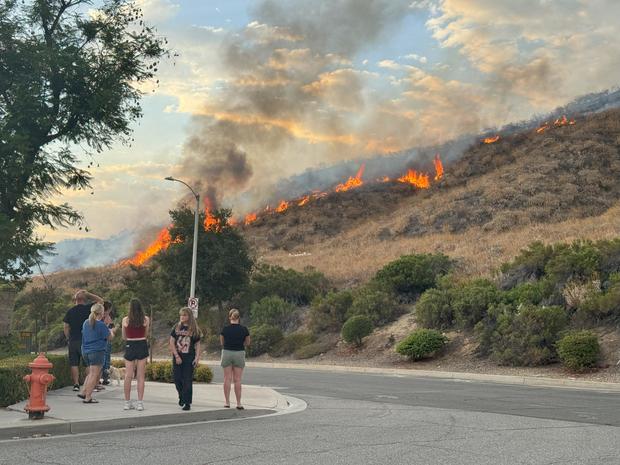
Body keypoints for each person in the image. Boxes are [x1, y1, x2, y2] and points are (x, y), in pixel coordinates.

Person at [63, 290, 104, 391]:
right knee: (88, 364)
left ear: (75, 300)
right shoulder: (88, 309)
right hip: (85, 340)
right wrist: (88, 294)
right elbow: (101, 301)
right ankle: (89, 384)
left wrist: (68, 338)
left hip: (73, 340)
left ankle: (76, 384)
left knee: (74, 363)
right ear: (84, 299)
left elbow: (66, 327)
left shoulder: (70, 311)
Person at [169, 307, 202, 411]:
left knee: (187, 380)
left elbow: (197, 344)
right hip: (178, 357)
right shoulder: (177, 327)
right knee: (177, 379)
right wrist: (176, 355)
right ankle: (181, 396)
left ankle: (187, 402)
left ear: (189, 316)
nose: (182, 317)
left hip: (189, 357)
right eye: (181, 315)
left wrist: (197, 358)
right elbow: (171, 342)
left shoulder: (194, 329)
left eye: (184, 315)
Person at [78, 303, 112, 403]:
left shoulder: (85, 323)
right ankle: (88, 397)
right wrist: (109, 328)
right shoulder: (101, 325)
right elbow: (110, 337)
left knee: (91, 373)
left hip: (85, 351)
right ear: (102, 313)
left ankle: (83, 391)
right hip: (97, 351)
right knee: (94, 374)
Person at [122, 298, 150, 411]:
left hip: (130, 344)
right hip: (141, 344)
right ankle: (140, 403)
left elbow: (124, 337)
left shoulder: (125, 320)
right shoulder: (146, 319)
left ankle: (127, 402)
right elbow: (146, 334)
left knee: (128, 375)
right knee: (141, 376)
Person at [220, 309, 250, 409]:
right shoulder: (244, 329)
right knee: (237, 380)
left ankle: (227, 402)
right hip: (239, 353)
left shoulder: (225, 329)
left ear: (230, 318)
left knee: (227, 379)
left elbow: (222, 342)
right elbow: (247, 342)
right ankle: (238, 403)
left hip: (227, 352)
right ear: (239, 318)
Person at [101, 301, 117, 386]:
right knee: (106, 359)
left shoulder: (98, 316)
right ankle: (105, 378)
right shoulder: (106, 317)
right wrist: (113, 330)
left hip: (100, 340)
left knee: (102, 359)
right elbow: (111, 328)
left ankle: (101, 378)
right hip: (106, 340)